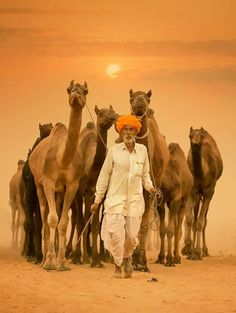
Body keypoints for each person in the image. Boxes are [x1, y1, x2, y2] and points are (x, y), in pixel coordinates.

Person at [90, 115, 160, 278]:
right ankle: (118, 264)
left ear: (136, 132)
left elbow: (145, 176)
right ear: (121, 132)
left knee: (131, 236)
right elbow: (104, 177)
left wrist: (150, 188)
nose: (128, 133)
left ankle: (127, 256)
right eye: (125, 130)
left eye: (131, 129)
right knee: (115, 234)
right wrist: (97, 200)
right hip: (115, 200)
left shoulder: (142, 151)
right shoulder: (114, 151)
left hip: (135, 202)